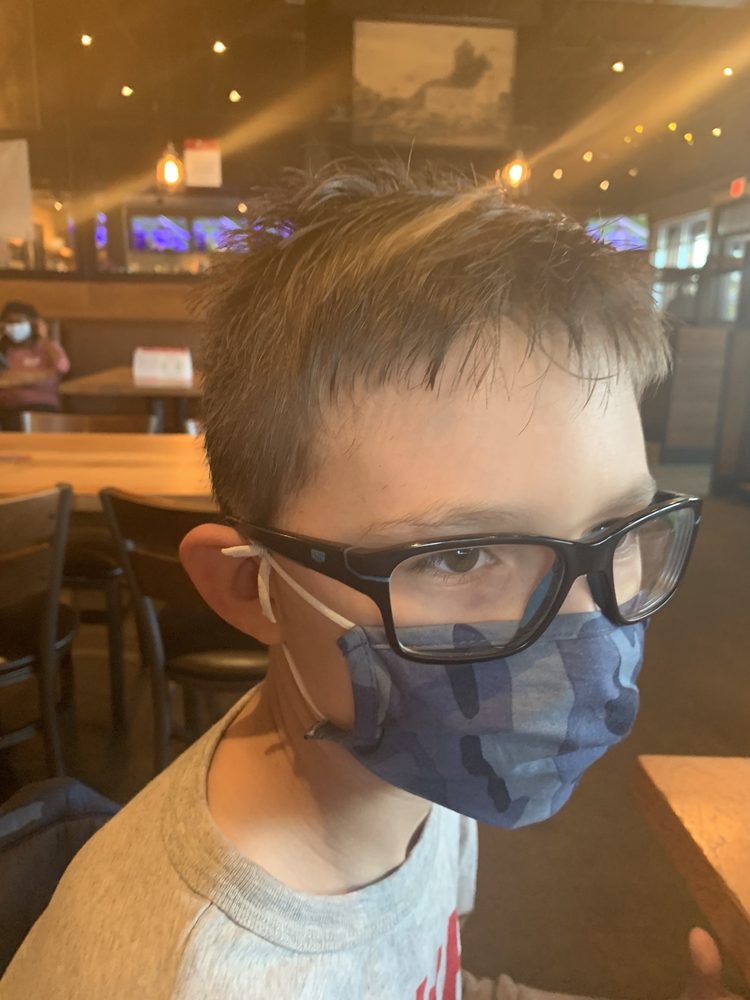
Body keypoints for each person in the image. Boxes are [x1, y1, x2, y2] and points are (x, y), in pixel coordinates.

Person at [0, 163, 737, 1000]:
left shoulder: (418, 773)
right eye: (459, 557)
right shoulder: (199, 979)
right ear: (250, 589)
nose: (581, 634)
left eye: (614, 532)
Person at [0, 300, 70, 430]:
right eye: (10, 322)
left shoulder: (46, 348)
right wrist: (41, 376)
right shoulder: (4, 351)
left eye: (19, 322)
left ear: (34, 324)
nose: (14, 327)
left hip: (41, 408)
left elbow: (62, 367)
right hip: (7, 409)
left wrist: (44, 339)